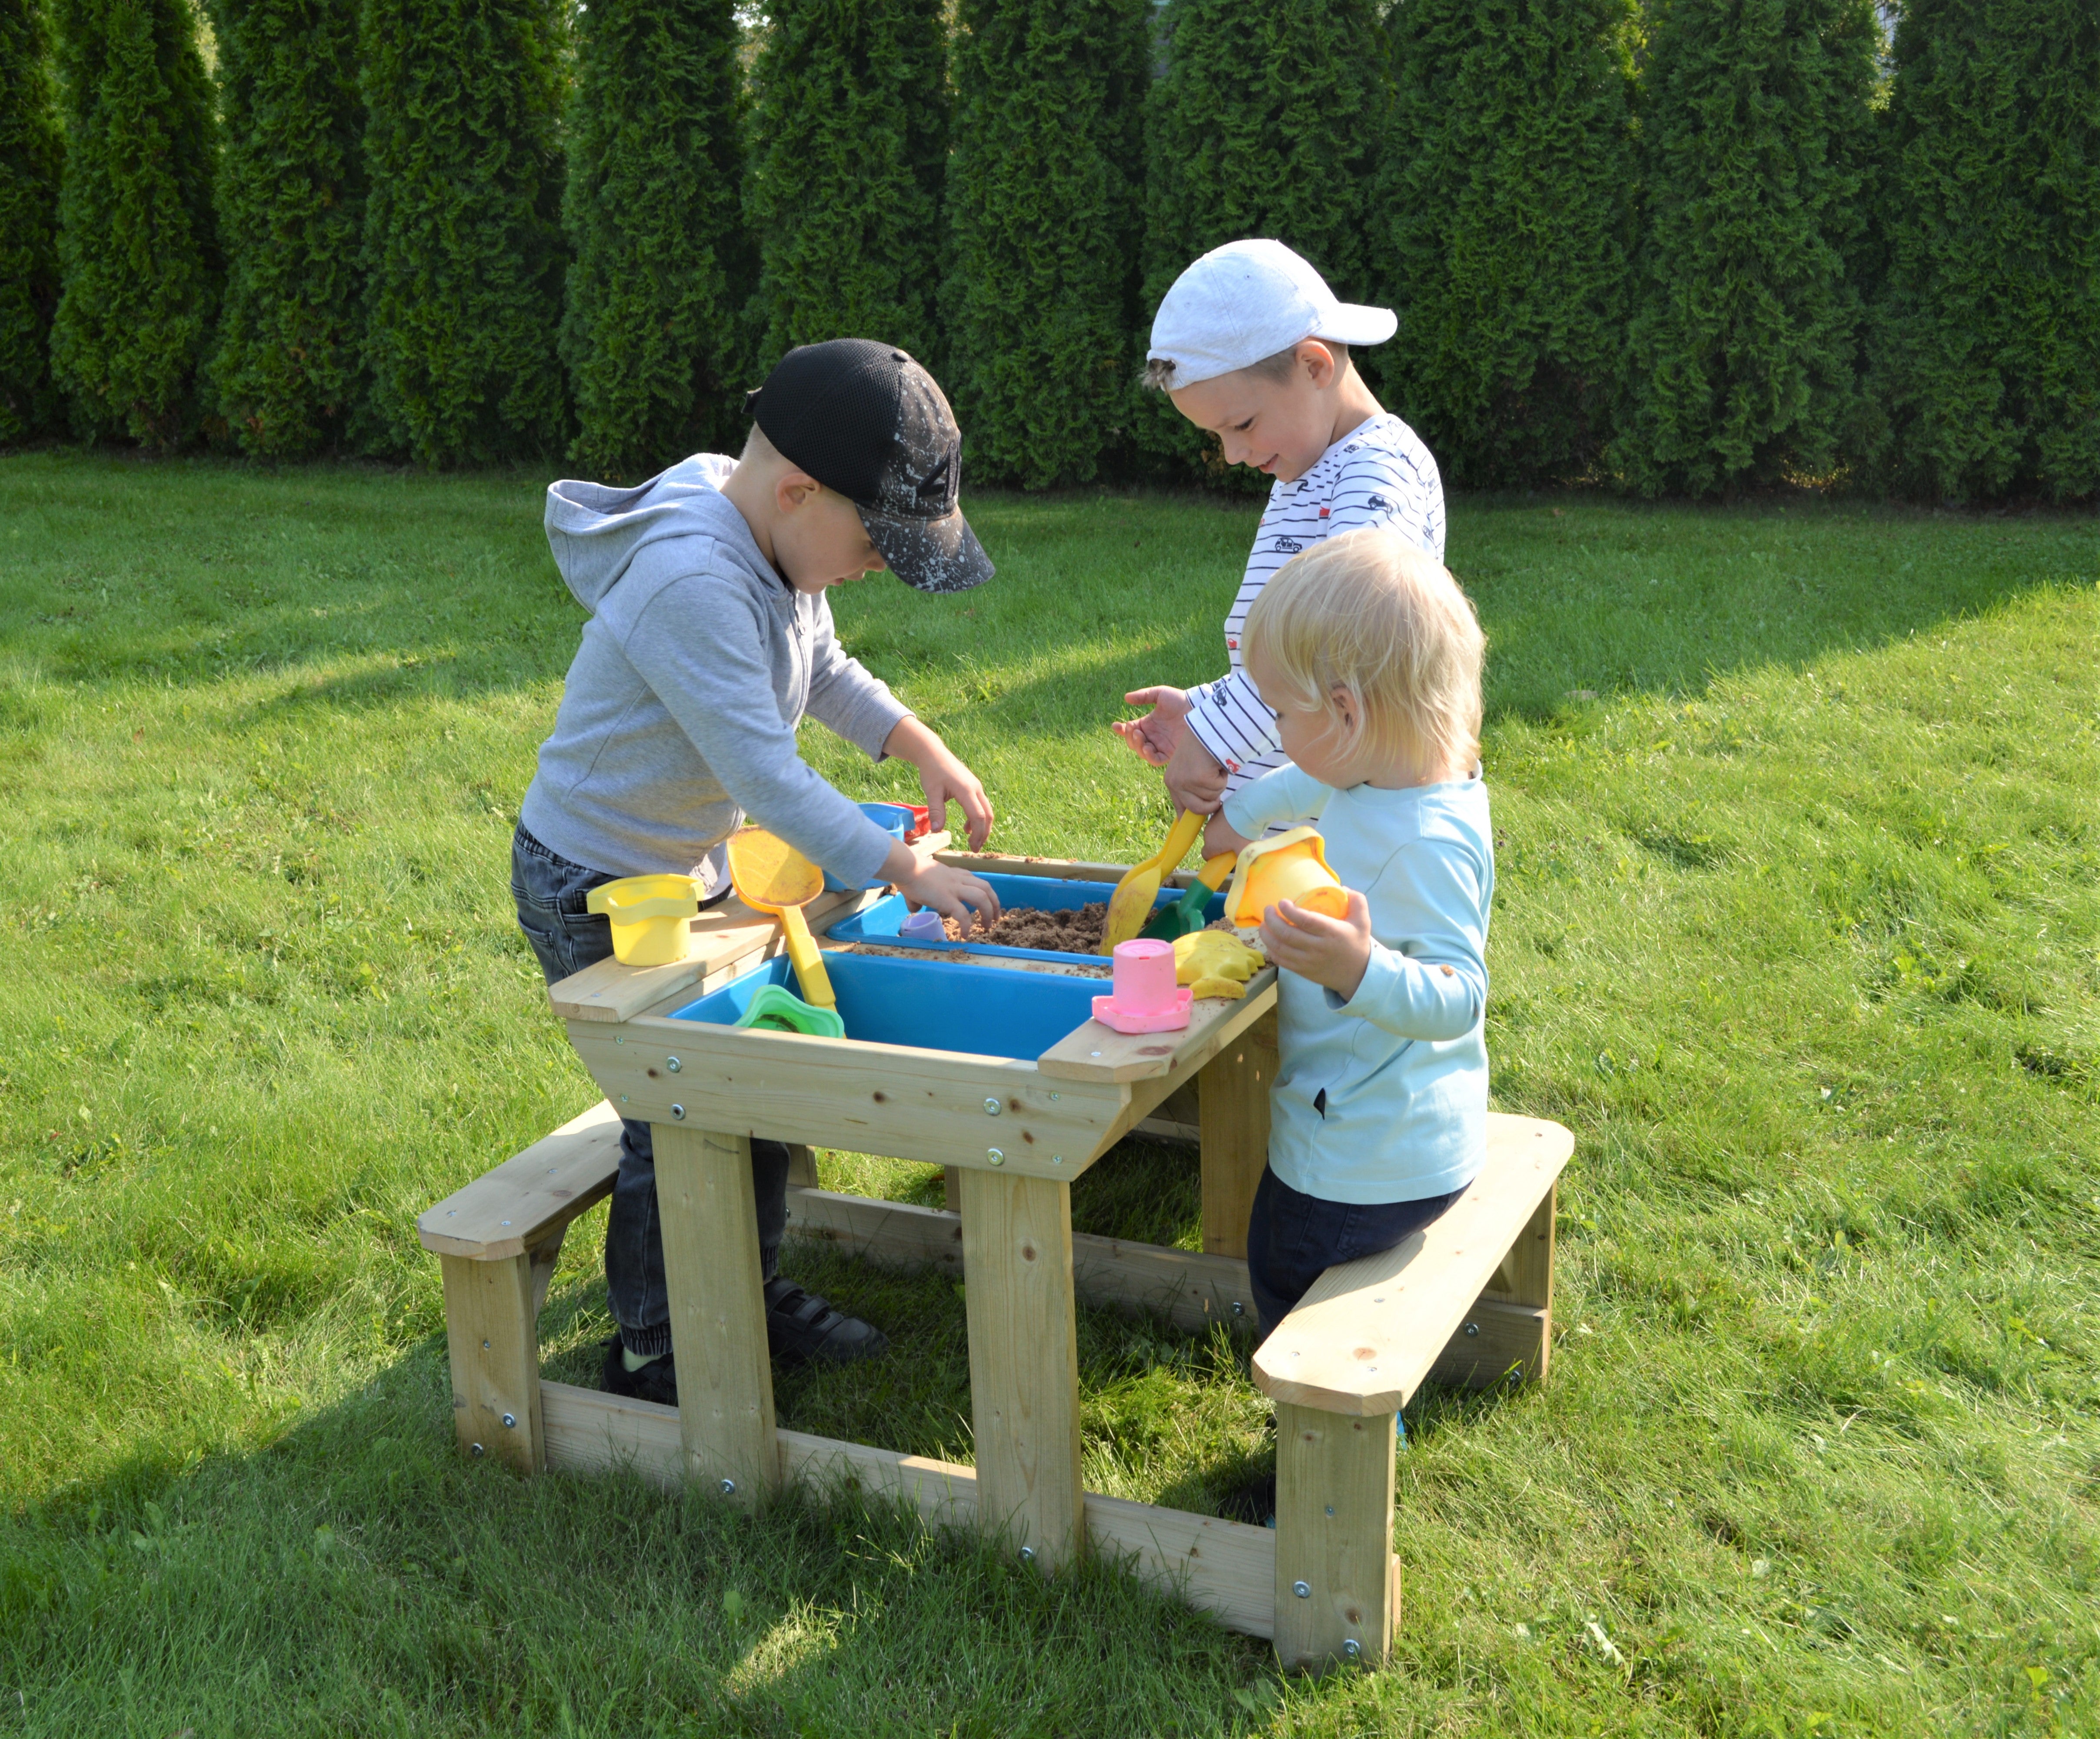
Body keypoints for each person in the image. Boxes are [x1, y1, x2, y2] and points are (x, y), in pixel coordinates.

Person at [511, 339, 1003, 1406]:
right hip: (595, 880)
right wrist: (905, 868)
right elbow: (765, 776)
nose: (877, 567)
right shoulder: (691, 577)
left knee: (756, 1068)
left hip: (680, 868)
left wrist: (915, 742)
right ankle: (655, 1345)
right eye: (874, 544)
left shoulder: (769, 536)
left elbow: (820, 666)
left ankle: (746, 1281)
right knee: (674, 1108)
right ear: (796, 492)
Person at [1205, 526, 1492, 1522]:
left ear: (1345, 709)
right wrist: (1233, 818)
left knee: (1282, 1257)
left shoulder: (1427, 844)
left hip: (1368, 1153)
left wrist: (1357, 969)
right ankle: (1341, 1432)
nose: (1278, 730)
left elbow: (1458, 995)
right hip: (1401, 1127)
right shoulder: (1377, 774)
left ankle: (1332, 1463)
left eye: (1283, 711)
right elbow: (1299, 785)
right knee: (1287, 1246)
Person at [1115, 239, 1447, 854]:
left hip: (1347, 848)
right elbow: (1283, 657)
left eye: (1241, 425)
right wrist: (1205, 709)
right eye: (1217, 436)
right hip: (1296, 830)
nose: (1233, 454)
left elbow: (1339, 644)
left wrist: (1216, 736)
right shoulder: (1313, 466)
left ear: (1314, 367)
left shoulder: (1376, 473)